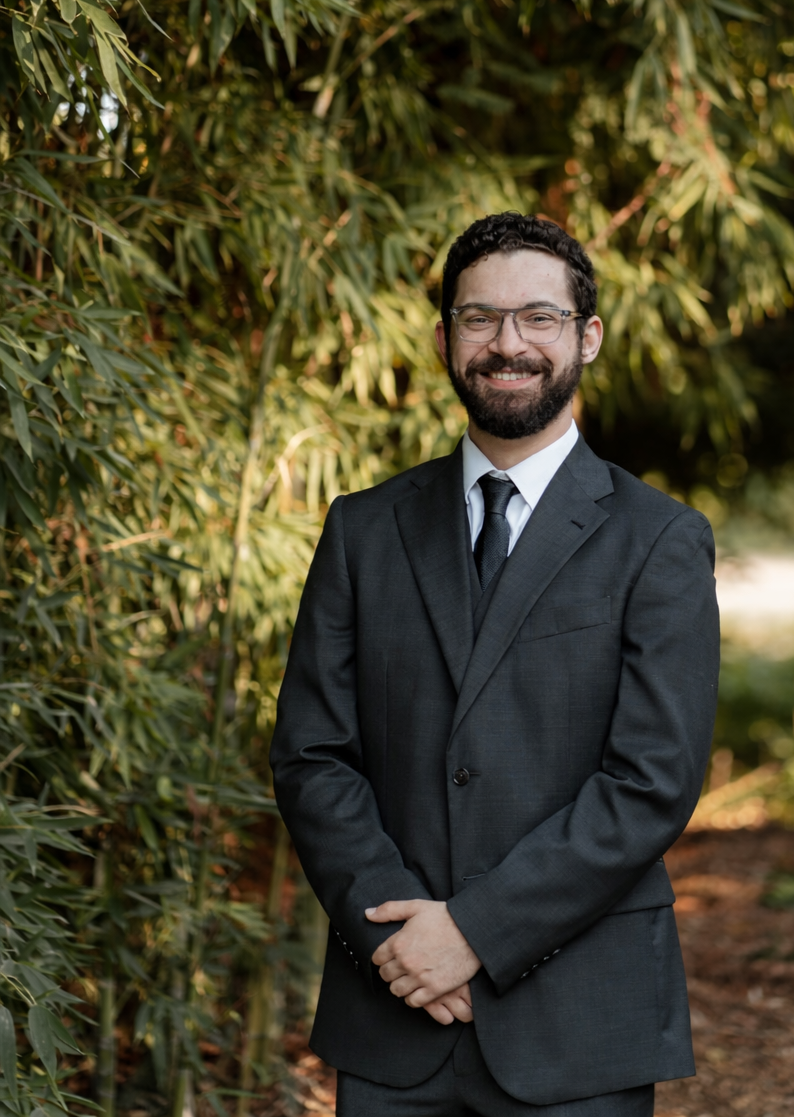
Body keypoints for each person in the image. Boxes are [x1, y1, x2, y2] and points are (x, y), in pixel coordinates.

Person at [271, 212, 719, 1117]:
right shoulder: (364, 531)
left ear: (585, 336)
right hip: (393, 1009)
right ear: (444, 339)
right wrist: (402, 937)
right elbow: (313, 755)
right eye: (479, 319)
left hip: (579, 1023)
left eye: (537, 318)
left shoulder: (659, 539)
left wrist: (472, 932)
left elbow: (652, 781)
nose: (506, 344)